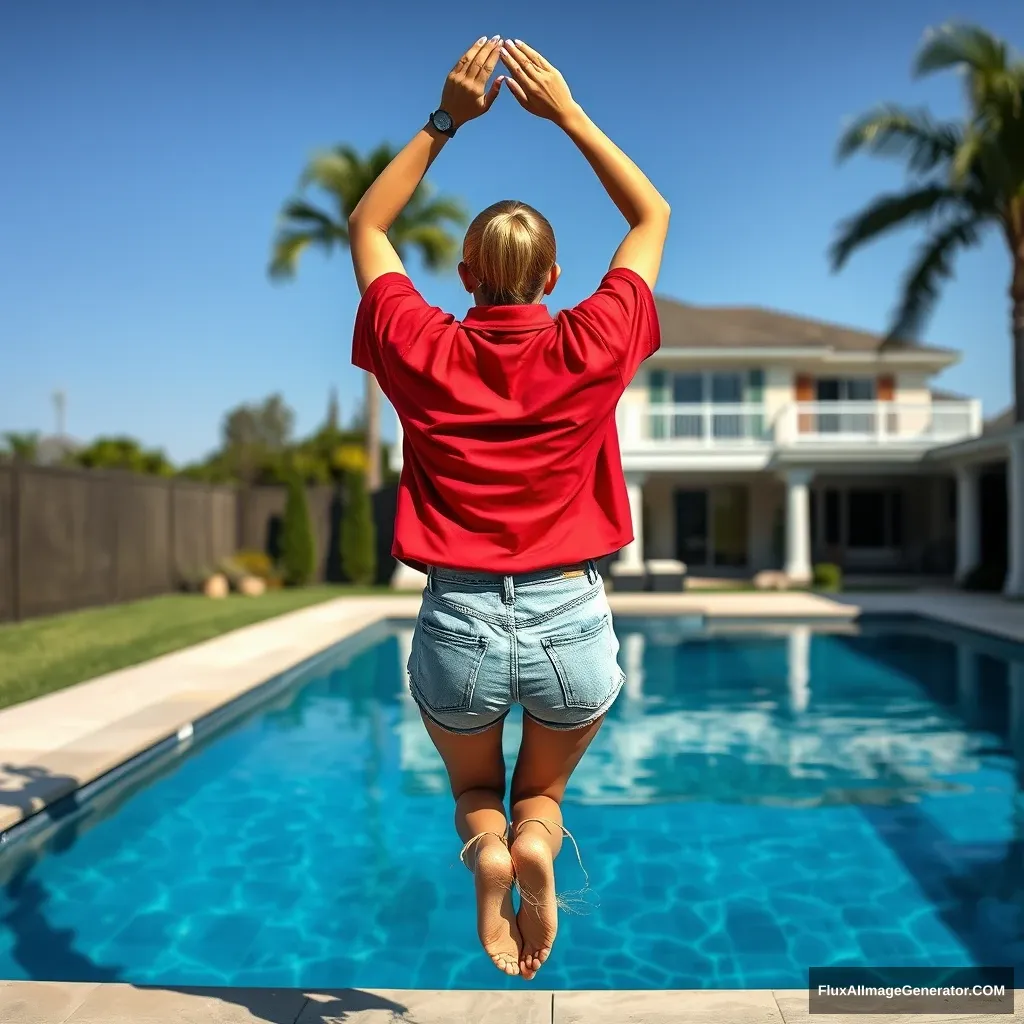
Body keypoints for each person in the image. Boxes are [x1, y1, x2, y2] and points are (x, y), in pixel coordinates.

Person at [348, 36, 670, 980]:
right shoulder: (592, 337)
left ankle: (494, 852)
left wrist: (447, 117)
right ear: (554, 277)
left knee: (475, 790)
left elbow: (368, 227)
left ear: (464, 277)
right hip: (571, 610)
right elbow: (651, 213)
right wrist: (565, 113)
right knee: (542, 794)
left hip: (458, 617)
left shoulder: (423, 345)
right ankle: (532, 841)